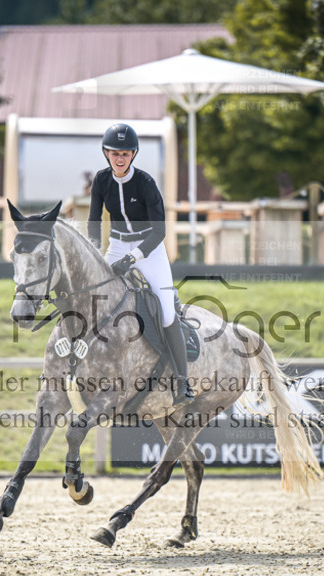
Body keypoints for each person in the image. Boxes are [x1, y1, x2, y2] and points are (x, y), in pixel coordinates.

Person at [88, 122, 195, 407]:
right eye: (114, 153)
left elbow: (160, 231)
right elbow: (94, 220)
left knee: (167, 309)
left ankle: (183, 382)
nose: (119, 158)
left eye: (125, 153)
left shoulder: (146, 183)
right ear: (106, 154)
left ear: (133, 154)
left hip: (149, 248)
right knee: (92, 295)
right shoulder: (101, 181)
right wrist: (94, 253)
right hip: (117, 245)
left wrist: (132, 258)